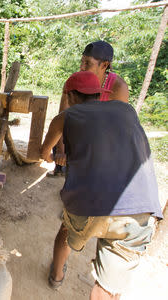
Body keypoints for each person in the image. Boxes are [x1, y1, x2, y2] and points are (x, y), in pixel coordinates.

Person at [40, 71, 162, 299]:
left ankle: (56, 276)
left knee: (66, 229)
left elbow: (44, 153)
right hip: (140, 209)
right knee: (106, 288)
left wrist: (56, 158)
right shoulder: (126, 110)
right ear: (99, 93)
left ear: (71, 96)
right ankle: (105, 287)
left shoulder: (66, 116)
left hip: (88, 208)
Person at [49, 40, 129, 176]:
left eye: (87, 63)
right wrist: (61, 152)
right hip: (79, 134)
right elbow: (62, 119)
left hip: (102, 140)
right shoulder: (74, 81)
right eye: (81, 62)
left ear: (104, 65)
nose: (81, 67)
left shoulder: (118, 88)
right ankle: (61, 168)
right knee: (60, 144)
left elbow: (119, 129)